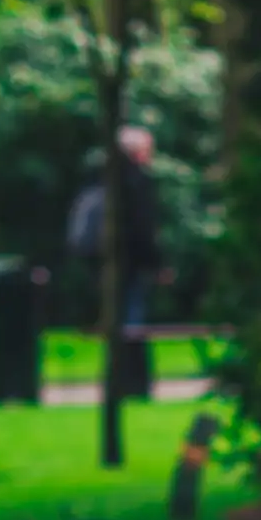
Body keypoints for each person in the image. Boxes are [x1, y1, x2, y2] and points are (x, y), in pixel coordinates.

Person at [66, 122, 161, 398]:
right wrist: (155, 263)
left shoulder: (100, 179)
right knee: (132, 323)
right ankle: (133, 382)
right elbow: (142, 228)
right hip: (130, 263)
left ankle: (118, 380)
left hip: (102, 262)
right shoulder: (135, 183)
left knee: (117, 321)